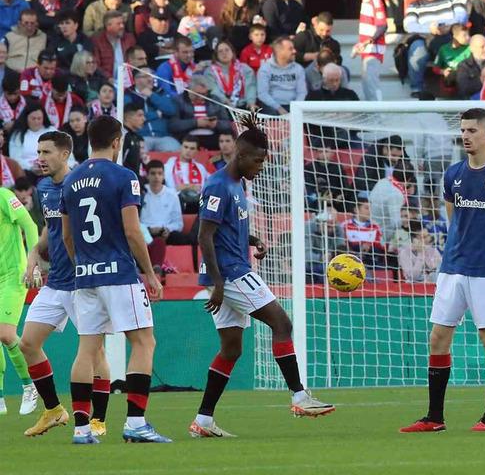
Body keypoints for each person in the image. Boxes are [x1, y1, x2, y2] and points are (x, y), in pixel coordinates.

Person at [190, 111, 334, 437]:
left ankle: (203, 421)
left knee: (231, 349)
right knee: (282, 323)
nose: (261, 167)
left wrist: (251, 239)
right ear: (240, 156)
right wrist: (216, 284)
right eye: (256, 161)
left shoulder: (238, 183)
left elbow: (226, 227)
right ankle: (299, 396)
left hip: (232, 269)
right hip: (230, 274)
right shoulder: (217, 186)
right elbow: (203, 236)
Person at [400, 108, 485, 433]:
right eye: (463, 130)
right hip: (452, 268)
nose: (466, 136)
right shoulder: (453, 174)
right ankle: (434, 417)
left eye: (472, 130)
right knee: (438, 338)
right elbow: (454, 218)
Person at [61, 115, 167, 444]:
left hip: (85, 276)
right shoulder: (124, 176)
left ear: (89, 140)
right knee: (144, 342)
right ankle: (135, 423)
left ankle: (81, 430)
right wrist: (150, 273)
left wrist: (83, 266)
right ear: (117, 142)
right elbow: (133, 230)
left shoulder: (70, 179)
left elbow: (67, 237)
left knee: (87, 349)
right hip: (119, 275)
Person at [19, 131, 111, 437]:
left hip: (83, 283)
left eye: (46, 152)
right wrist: (34, 252)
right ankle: (54, 410)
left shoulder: (80, 185)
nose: (40, 158)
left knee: (95, 354)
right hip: (56, 281)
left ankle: (98, 419)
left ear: (65, 154)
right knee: (28, 344)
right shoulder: (45, 188)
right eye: (39, 152)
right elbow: (51, 228)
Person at [0, 159, 39, 417]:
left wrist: (33, 265)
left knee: (4, 333)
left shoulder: (3, 196)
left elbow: (30, 225)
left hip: (13, 274)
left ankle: (29, 386)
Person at [403, 0, 469, 97]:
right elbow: (408, 25)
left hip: (449, 34)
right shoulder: (415, 5)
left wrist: (447, 26)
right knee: (417, 50)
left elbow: (462, 16)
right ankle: (416, 89)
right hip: (424, 37)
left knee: (460, 44)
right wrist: (429, 28)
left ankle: (462, 86)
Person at [140, 159, 192, 273]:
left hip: (167, 232)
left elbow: (178, 223)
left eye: (159, 174)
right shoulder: (141, 194)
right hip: (146, 233)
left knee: (186, 238)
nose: (156, 177)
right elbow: (136, 220)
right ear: (147, 176)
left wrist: (168, 229)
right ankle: (154, 268)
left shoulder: (172, 195)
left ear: (163, 176)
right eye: (153, 174)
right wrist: (149, 229)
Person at [169, 75, 232, 150]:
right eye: (198, 94)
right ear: (189, 90)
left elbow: (227, 124)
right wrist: (196, 123)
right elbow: (173, 125)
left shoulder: (215, 100)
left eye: (204, 94)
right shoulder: (178, 100)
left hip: (212, 136)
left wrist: (216, 124)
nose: (201, 97)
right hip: (187, 137)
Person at [257, 37, 307, 115]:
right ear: (279, 51)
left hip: (294, 106)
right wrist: (278, 108)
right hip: (272, 106)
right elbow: (262, 93)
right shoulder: (265, 69)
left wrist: (296, 108)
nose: (294, 51)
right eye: (290, 49)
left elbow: (302, 92)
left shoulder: (298, 69)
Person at [202, 40, 257, 111]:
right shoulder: (210, 72)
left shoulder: (245, 69)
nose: (224, 53)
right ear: (216, 55)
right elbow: (214, 91)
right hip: (222, 107)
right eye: (220, 51)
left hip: (243, 105)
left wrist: (251, 102)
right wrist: (225, 101)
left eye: (227, 50)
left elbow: (250, 87)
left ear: (233, 52)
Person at [354, 0, 387, 101]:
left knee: (372, 84)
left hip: (374, 50)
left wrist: (368, 41)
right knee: (366, 83)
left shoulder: (375, 0)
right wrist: (360, 45)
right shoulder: (366, 1)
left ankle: (378, 113)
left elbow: (383, 26)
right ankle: (372, 114)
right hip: (367, 50)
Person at [90, 10, 137, 81]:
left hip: (129, 80)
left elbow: (135, 60)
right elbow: (96, 65)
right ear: (108, 26)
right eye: (118, 24)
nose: (122, 26)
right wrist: (108, 78)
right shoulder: (97, 41)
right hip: (106, 81)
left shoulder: (129, 38)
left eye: (123, 23)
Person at [8, 103, 51, 176]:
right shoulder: (18, 135)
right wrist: (30, 167)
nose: (36, 121)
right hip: (26, 172)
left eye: (39, 118)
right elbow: (15, 159)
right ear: (26, 118)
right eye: (33, 118)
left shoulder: (52, 131)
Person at [455, 34, 485, 99]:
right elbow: (464, 88)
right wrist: (481, 80)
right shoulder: (463, 66)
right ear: (472, 48)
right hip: (471, 103)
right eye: (482, 47)